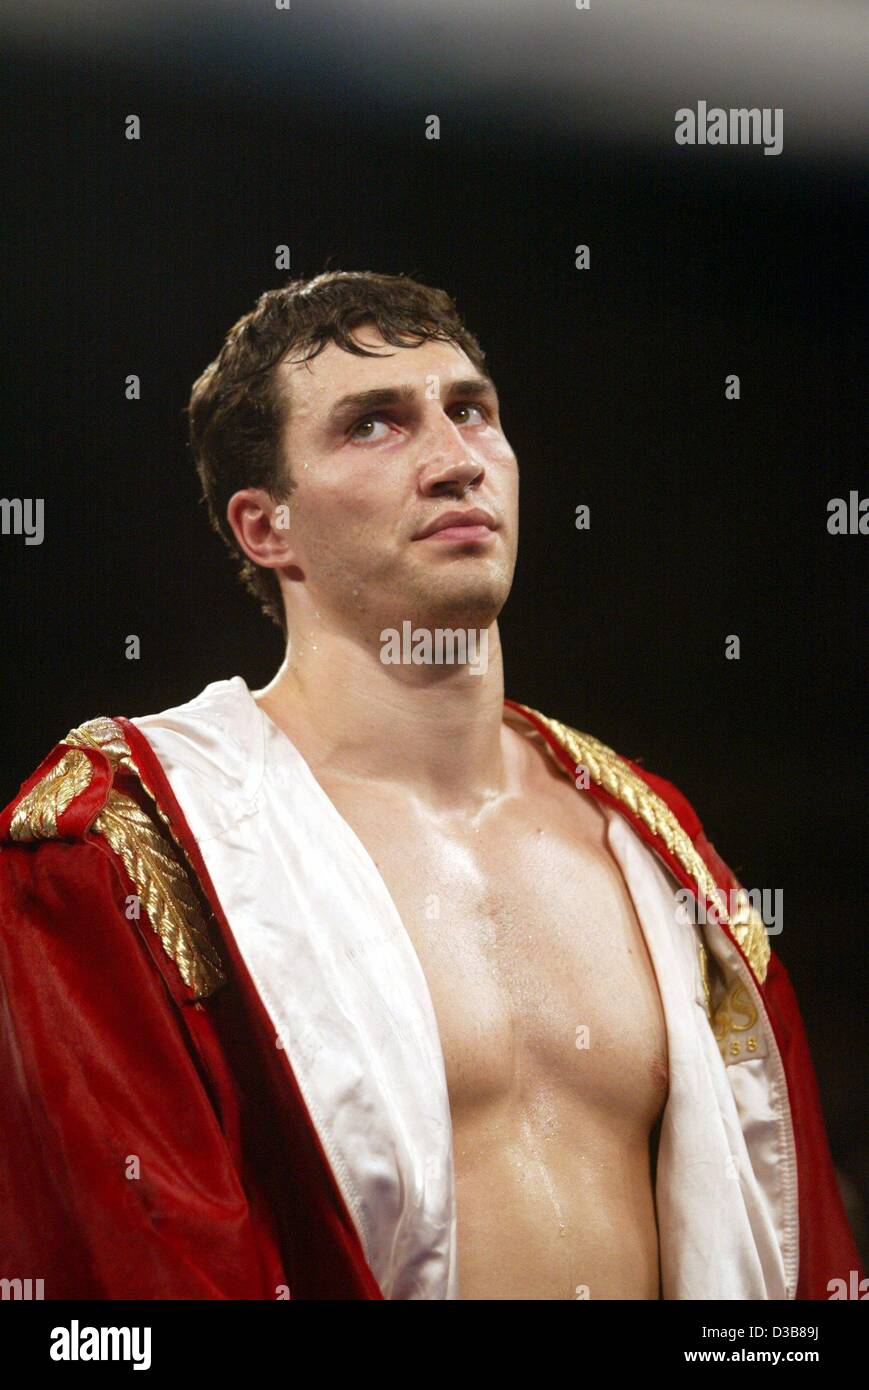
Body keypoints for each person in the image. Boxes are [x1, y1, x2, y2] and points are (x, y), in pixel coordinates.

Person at [0, 271, 860, 1300]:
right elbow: (128, 1271)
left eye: (470, 411)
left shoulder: (648, 832)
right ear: (262, 528)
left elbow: (792, 1248)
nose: (455, 462)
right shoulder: (125, 842)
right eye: (374, 425)